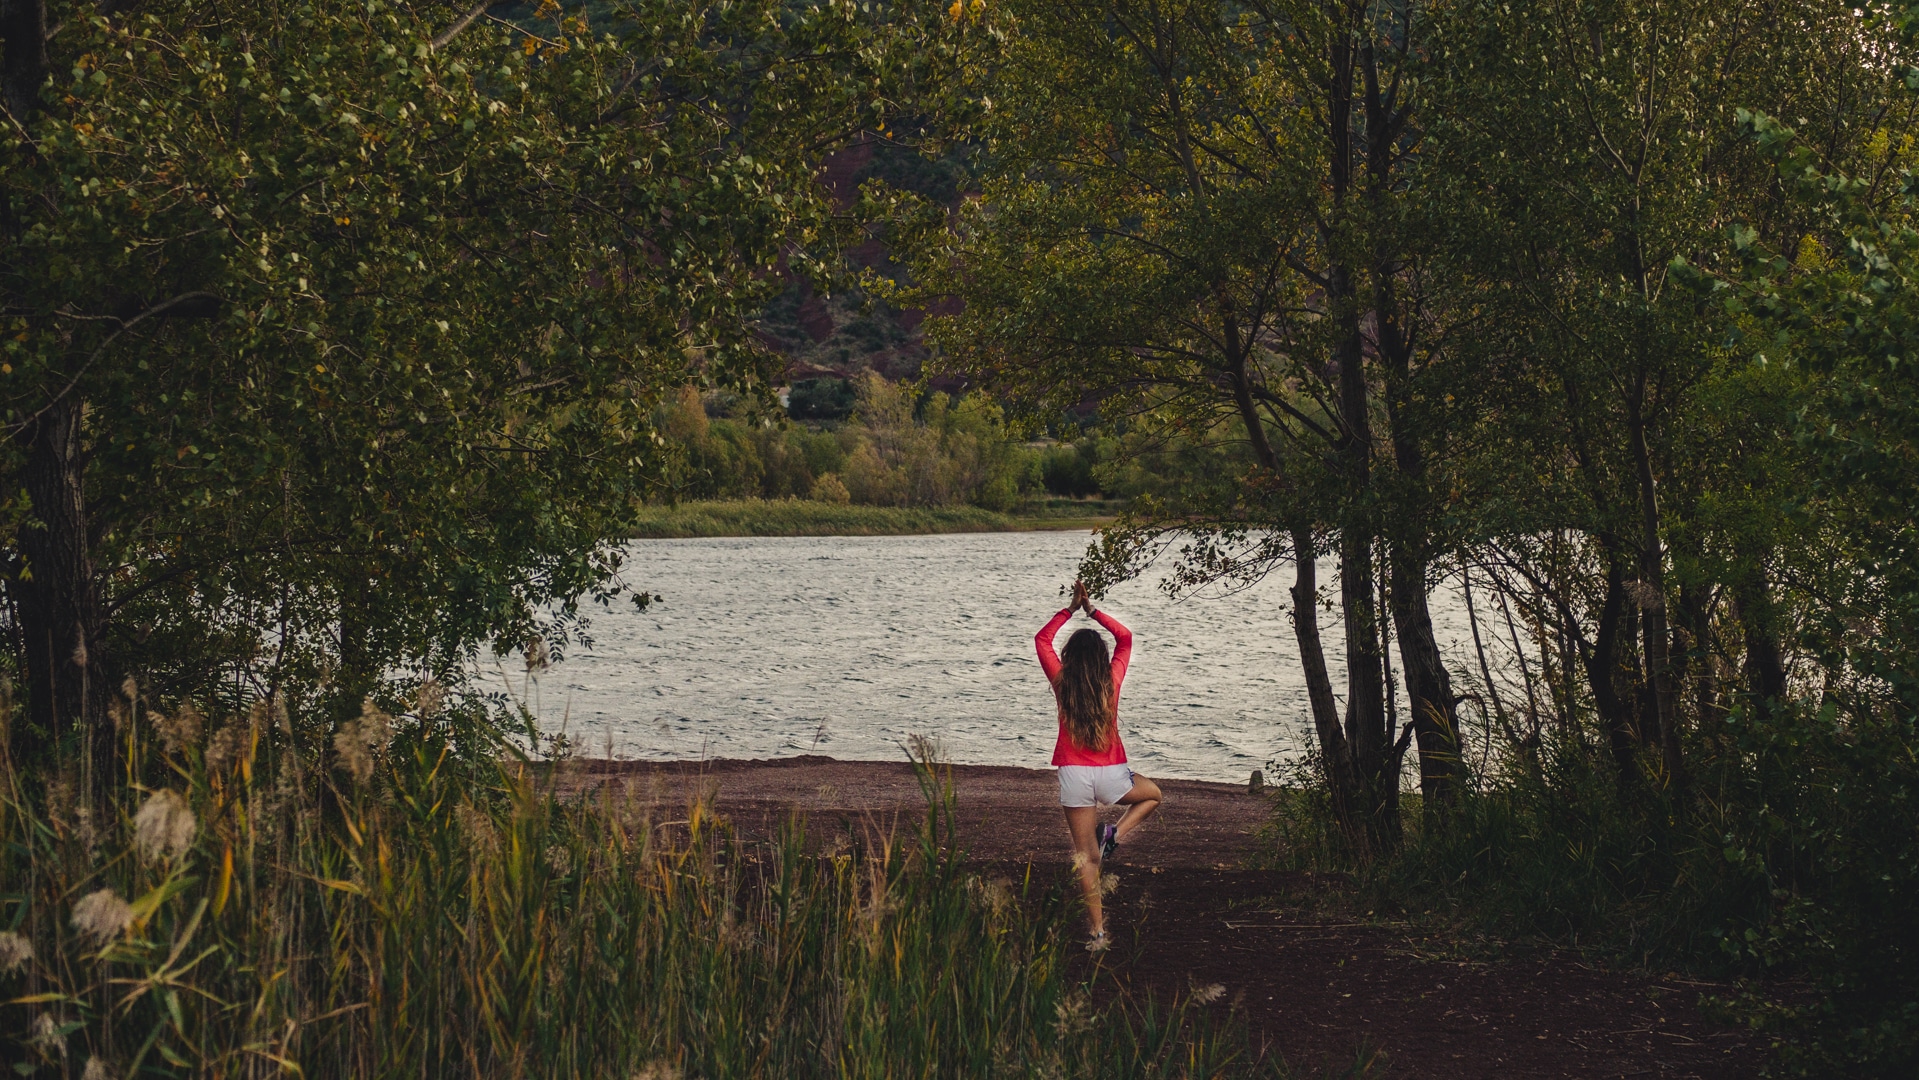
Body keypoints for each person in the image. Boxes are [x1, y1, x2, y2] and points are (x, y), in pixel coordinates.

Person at [1036, 579, 1163, 951]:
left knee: (1087, 860)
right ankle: (1114, 836)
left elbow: (1042, 640)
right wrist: (1092, 611)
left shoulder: (1061, 681)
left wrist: (1070, 609)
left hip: (1074, 776)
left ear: (1070, 658)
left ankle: (1097, 935)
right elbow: (1125, 638)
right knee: (1152, 795)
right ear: (1101, 658)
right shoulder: (1112, 680)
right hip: (1111, 774)